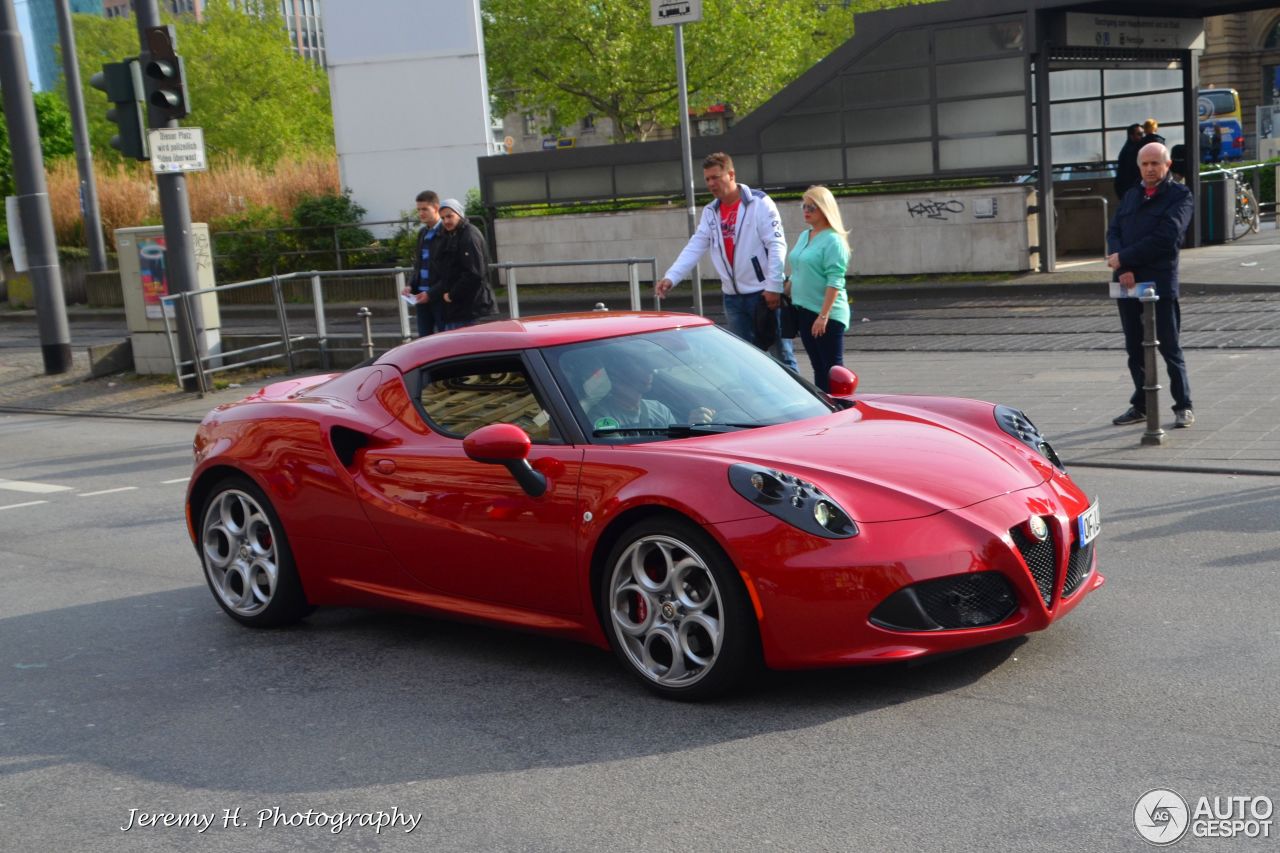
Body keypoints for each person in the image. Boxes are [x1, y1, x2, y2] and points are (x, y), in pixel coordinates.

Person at [654, 152, 799, 373]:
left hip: (762, 294)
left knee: (782, 358)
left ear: (731, 175)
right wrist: (671, 276)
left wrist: (773, 286)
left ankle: (803, 404)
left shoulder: (759, 203)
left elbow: (777, 244)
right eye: (707, 179)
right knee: (745, 361)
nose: (711, 183)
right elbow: (696, 245)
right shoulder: (711, 212)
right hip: (732, 298)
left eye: (716, 177)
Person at [1106, 142, 1195, 428]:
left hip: (1159, 283)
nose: (1150, 169)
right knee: (1134, 348)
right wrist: (1125, 267)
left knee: (1169, 347)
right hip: (1126, 281)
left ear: (1167, 165)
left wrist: (1124, 258)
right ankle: (1141, 405)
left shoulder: (1180, 196)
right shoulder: (1132, 195)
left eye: (1155, 163)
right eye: (1145, 164)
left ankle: (1183, 405)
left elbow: (1166, 238)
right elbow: (1114, 231)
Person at [786, 186, 850, 392]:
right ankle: (826, 411)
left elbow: (835, 280)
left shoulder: (833, 240)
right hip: (804, 310)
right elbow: (798, 268)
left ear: (824, 209)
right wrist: (784, 290)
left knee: (833, 371)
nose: (806, 211)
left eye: (812, 207)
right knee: (818, 368)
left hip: (826, 315)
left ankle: (841, 410)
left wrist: (823, 316)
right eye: (804, 206)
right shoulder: (806, 235)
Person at [585, 358, 712, 430]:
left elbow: (675, 446)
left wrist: (691, 427)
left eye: (650, 368)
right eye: (642, 367)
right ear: (621, 374)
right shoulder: (602, 416)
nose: (651, 372)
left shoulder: (659, 409)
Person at [430, 198, 496, 330]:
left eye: (450, 216)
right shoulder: (452, 235)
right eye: (443, 218)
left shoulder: (469, 235)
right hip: (459, 310)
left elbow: (474, 273)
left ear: (460, 214)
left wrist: (452, 295)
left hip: (470, 309)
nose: (446, 221)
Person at [400, 190, 445, 337]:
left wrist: (432, 293)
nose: (421, 213)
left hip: (440, 296)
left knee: (446, 339)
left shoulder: (446, 231)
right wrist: (410, 285)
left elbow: (449, 269)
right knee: (424, 339)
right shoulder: (422, 233)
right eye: (418, 210)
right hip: (420, 296)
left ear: (436, 208)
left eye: (425, 209)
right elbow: (419, 264)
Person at [1113, 124, 1144, 198]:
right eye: (1139, 134)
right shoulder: (1131, 151)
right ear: (1131, 136)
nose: (1142, 136)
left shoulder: (1130, 149)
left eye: (1143, 134)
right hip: (1130, 189)